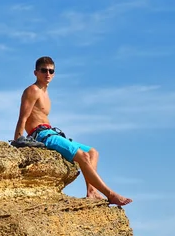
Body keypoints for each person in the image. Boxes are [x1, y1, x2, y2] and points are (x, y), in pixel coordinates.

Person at [14, 56, 132, 206]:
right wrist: (18, 140)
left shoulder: (45, 93)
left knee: (93, 152)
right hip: (42, 135)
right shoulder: (33, 90)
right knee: (82, 156)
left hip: (52, 132)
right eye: (44, 70)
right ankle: (111, 194)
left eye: (51, 71)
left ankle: (92, 192)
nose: (47, 74)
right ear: (35, 72)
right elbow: (22, 118)